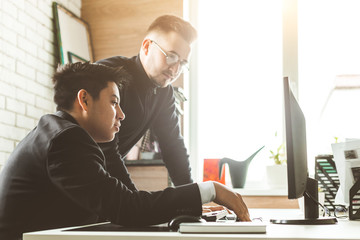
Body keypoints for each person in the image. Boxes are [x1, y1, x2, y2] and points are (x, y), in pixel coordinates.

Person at [0, 62, 250, 240]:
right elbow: (127, 207)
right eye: (113, 102)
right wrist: (210, 189)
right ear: (84, 100)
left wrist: (188, 206)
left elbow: (124, 202)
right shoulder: (67, 141)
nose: (122, 114)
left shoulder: (62, 132)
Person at [96, 15, 198, 188]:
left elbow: (173, 146)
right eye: (171, 56)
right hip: (61, 177)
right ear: (146, 47)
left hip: (96, 179)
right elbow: (105, 147)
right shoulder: (109, 74)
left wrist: (192, 198)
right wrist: (135, 202)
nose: (175, 70)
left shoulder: (164, 93)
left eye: (182, 63)